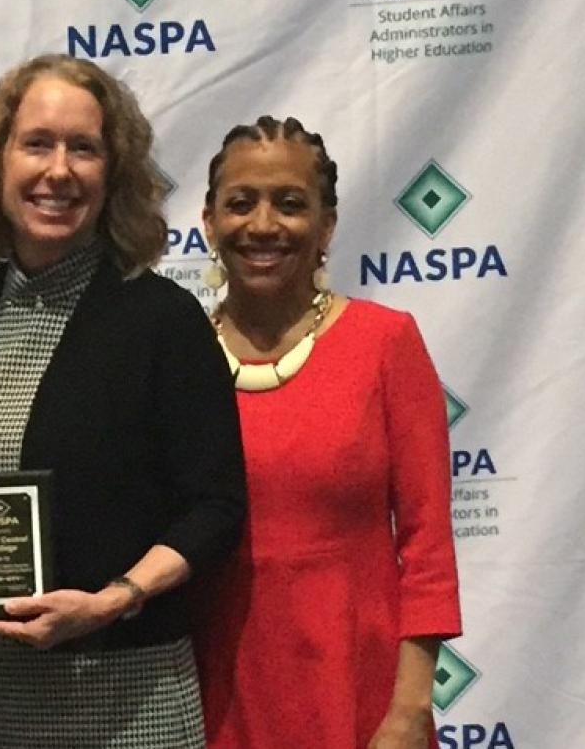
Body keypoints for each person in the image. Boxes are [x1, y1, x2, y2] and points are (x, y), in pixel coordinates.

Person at [0, 55, 246, 748]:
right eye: (37, 144)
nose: (58, 170)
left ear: (112, 175)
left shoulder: (162, 320)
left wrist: (115, 599)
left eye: (83, 148)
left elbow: (217, 508)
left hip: (133, 698)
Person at [192, 116, 461, 749]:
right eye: (240, 203)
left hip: (362, 697)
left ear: (327, 226)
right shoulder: (179, 358)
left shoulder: (384, 343)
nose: (263, 225)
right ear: (208, 223)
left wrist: (407, 712)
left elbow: (428, 548)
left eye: (290, 204)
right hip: (215, 698)